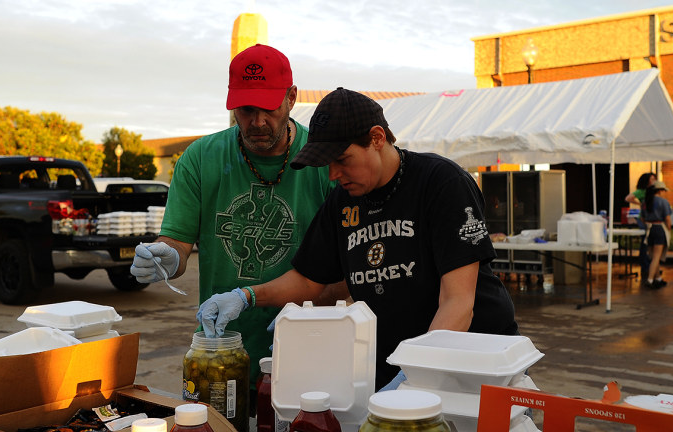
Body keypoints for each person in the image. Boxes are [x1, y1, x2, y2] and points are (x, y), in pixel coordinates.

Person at [196, 88, 519, 391]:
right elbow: (310, 280)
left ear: (376, 138)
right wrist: (246, 295)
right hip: (398, 365)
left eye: (342, 160)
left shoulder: (441, 183)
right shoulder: (343, 201)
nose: (333, 174)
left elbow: (458, 303)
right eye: (328, 164)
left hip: (478, 365)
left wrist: (416, 375)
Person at [130, 44, 345, 400]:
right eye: (246, 109)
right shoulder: (200, 158)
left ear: (291, 98)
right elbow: (178, 244)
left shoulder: (325, 163)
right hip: (218, 350)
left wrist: (308, 310)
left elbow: (345, 273)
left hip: (306, 354)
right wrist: (166, 255)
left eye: (269, 108)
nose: (257, 121)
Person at [641, 180, 673, 289]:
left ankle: (658, 278)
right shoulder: (663, 202)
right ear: (659, 190)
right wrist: (669, 229)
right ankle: (650, 280)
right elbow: (668, 219)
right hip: (659, 228)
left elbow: (642, 217)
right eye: (664, 190)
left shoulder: (645, 202)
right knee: (656, 257)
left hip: (649, 229)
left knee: (653, 257)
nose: (665, 192)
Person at [625, 172, 657, 279]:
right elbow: (628, 198)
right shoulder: (642, 191)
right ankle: (645, 264)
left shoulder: (653, 191)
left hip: (651, 218)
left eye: (654, 179)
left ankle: (648, 265)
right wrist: (640, 204)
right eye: (651, 179)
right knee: (645, 241)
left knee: (649, 242)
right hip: (643, 218)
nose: (653, 181)